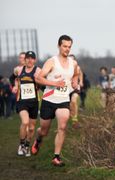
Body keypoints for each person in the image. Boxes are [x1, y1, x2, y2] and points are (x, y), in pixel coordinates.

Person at [33, 35, 78, 166]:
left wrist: (74, 81)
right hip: (49, 99)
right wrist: (54, 83)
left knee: (63, 126)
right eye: (65, 46)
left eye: (69, 47)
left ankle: (56, 157)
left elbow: (75, 73)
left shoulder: (73, 63)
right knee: (44, 130)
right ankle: (39, 138)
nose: (67, 49)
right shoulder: (51, 61)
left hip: (63, 99)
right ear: (59, 46)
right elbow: (39, 78)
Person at [12, 51, 41, 157]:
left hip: (34, 102)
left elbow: (43, 82)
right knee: (25, 122)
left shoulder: (38, 71)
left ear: (35, 60)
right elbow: (13, 77)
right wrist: (15, 85)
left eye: (32, 58)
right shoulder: (19, 70)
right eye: (28, 58)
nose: (29, 60)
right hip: (22, 101)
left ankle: (27, 146)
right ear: (25, 60)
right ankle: (21, 145)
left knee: (32, 128)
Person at [68, 54, 83, 129]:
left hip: (75, 87)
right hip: (67, 88)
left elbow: (81, 73)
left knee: (73, 101)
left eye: (73, 59)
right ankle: (73, 119)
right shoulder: (64, 68)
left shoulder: (77, 67)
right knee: (69, 106)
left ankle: (75, 120)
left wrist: (81, 81)